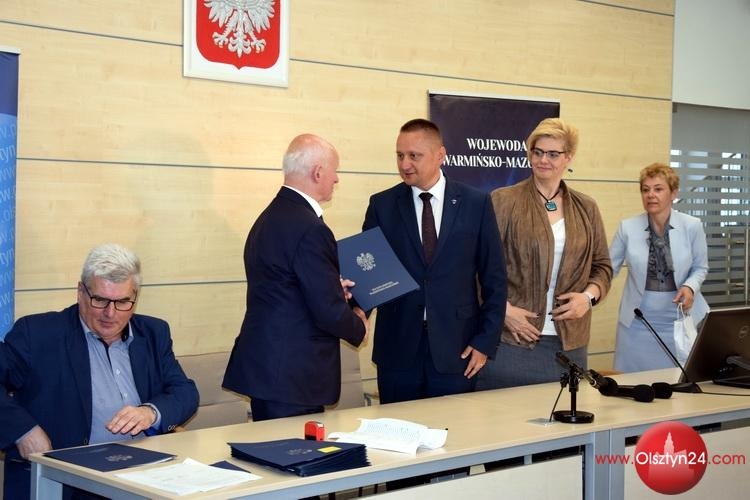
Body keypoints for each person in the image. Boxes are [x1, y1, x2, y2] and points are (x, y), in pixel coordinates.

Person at [0, 243, 199, 500]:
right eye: (100, 300)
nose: (110, 313)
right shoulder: (37, 334)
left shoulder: (153, 333)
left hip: (142, 479)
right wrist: (23, 431)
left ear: (135, 296)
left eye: (123, 302)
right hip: (64, 483)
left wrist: (151, 412)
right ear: (80, 292)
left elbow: (185, 392)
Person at [223, 134, 368, 422]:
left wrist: (330, 287)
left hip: (272, 372)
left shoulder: (270, 217)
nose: (337, 179)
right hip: (292, 377)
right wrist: (358, 324)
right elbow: (327, 311)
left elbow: (286, 288)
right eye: (335, 171)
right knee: (293, 449)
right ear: (318, 172)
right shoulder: (310, 228)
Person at [362, 118, 507, 404]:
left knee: (452, 429)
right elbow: (369, 271)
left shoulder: (476, 203)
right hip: (397, 350)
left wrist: (484, 342)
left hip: (458, 350)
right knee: (398, 428)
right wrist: (356, 314)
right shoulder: (382, 205)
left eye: (414, 156)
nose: (405, 164)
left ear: (440, 155)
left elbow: (495, 278)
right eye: (400, 155)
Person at [477, 118, 612, 390]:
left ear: (568, 158)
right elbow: (477, 266)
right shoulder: (502, 200)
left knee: (564, 414)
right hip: (512, 339)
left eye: (552, 154)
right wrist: (503, 311)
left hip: (569, 344)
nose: (543, 160)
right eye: (537, 152)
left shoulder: (586, 207)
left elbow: (602, 267)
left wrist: (587, 298)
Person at [610, 163, 709, 372]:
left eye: (658, 189)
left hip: (681, 319)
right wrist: (586, 292)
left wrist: (690, 287)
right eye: (645, 190)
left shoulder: (692, 225)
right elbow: (607, 268)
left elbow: (700, 267)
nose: (651, 195)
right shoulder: (627, 227)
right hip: (638, 322)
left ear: (673, 193)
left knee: (681, 382)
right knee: (634, 383)